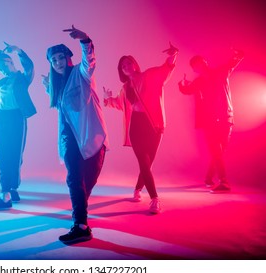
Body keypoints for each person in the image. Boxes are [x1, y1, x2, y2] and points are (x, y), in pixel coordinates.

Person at [42, 25, 109, 244]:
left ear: (69, 58)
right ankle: (80, 225)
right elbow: (64, 110)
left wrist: (85, 40)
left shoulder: (81, 74)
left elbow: (89, 63)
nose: (58, 62)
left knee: (88, 181)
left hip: (91, 138)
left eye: (61, 58)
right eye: (54, 60)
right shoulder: (57, 86)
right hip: (69, 139)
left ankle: (80, 214)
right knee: (73, 179)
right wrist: (48, 87)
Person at [103, 42, 178, 214]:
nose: (126, 67)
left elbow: (166, 69)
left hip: (155, 125)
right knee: (143, 162)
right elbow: (118, 104)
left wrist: (172, 55)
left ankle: (137, 189)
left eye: (129, 63)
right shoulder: (125, 88)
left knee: (148, 163)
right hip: (136, 125)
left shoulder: (150, 75)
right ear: (121, 71)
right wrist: (107, 99)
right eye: (123, 66)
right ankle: (155, 199)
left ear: (135, 64)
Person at [0, 42, 36, 211]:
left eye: (3, 65)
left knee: (16, 156)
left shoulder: (22, 79)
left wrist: (18, 50)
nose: (2, 70)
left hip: (17, 119)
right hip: (1, 120)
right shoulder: (3, 80)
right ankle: (7, 192)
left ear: (11, 62)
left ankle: (9, 192)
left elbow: (29, 66)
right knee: (3, 155)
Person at [178, 48, 244, 194]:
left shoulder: (221, 72)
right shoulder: (199, 82)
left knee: (220, 150)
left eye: (200, 62)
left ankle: (208, 178)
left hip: (226, 117)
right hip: (209, 121)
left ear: (205, 62)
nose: (199, 66)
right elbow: (186, 91)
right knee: (216, 150)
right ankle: (223, 181)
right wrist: (182, 84)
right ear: (195, 69)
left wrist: (239, 54)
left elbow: (233, 63)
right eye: (195, 65)